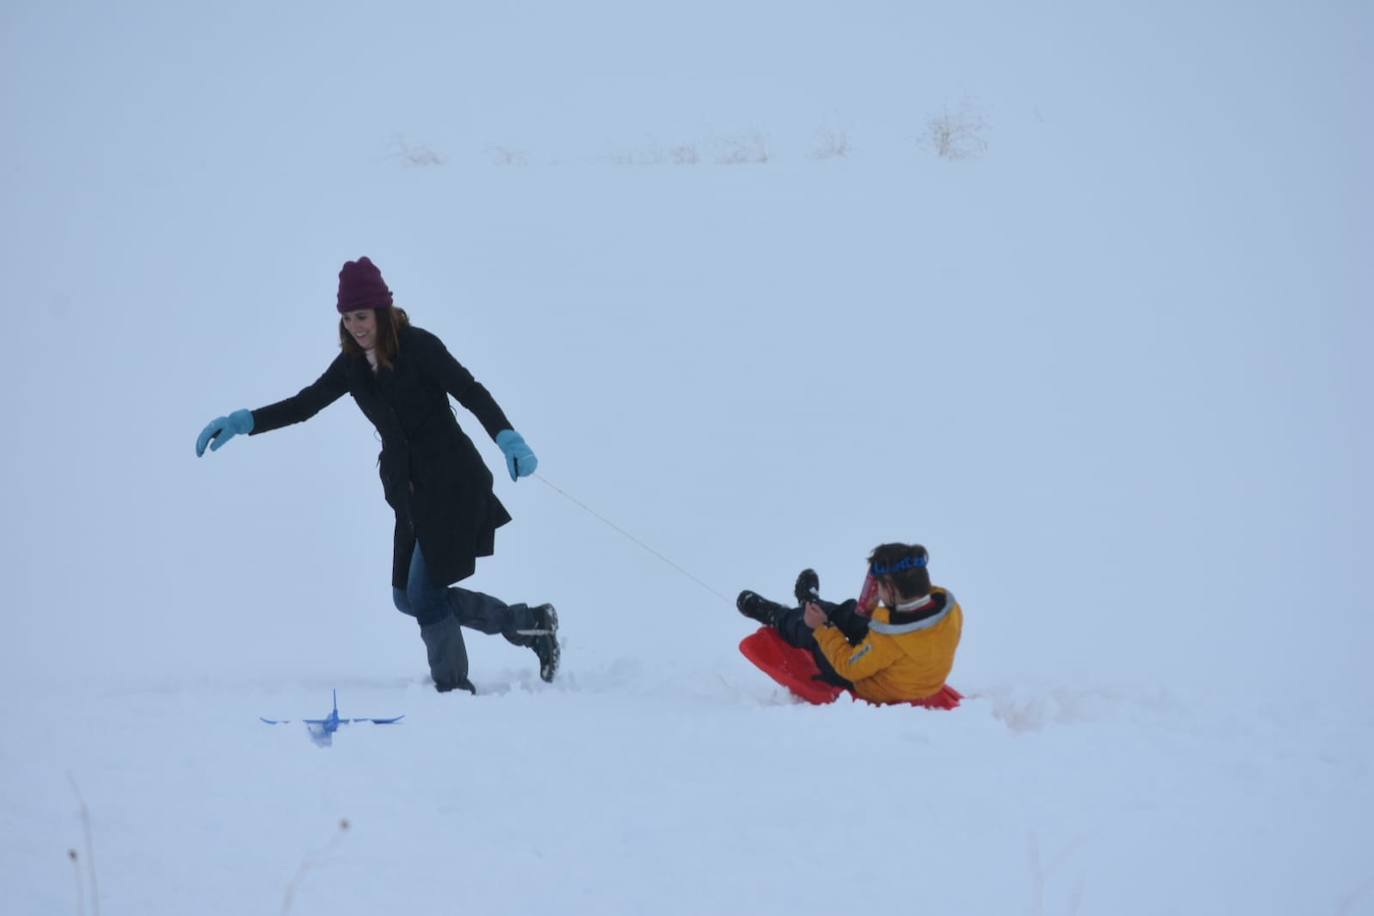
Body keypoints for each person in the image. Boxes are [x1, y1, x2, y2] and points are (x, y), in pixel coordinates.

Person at [195, 256, 558, 694]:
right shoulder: (350, 366)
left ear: (383, 311)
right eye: (347, 318)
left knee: (425, 595)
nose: (355, 326)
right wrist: (244, 422)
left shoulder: (419, 347)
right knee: (408, 598)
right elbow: (304, 404)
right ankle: (532, 624)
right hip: (409, 495)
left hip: (453, 485)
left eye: (361, 316)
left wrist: (506, 438)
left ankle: (453, 689)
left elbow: (470, 391)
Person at [736, 543, 961, 704]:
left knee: (816, 636)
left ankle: (779, 616)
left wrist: (822, 629)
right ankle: (811, 603)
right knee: (853, 615)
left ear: (891, 590)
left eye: (879, 587)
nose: (876, 591)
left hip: (878, 686)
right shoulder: (949, 609)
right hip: (909, 664)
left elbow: (849, 667)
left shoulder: (889, 638)